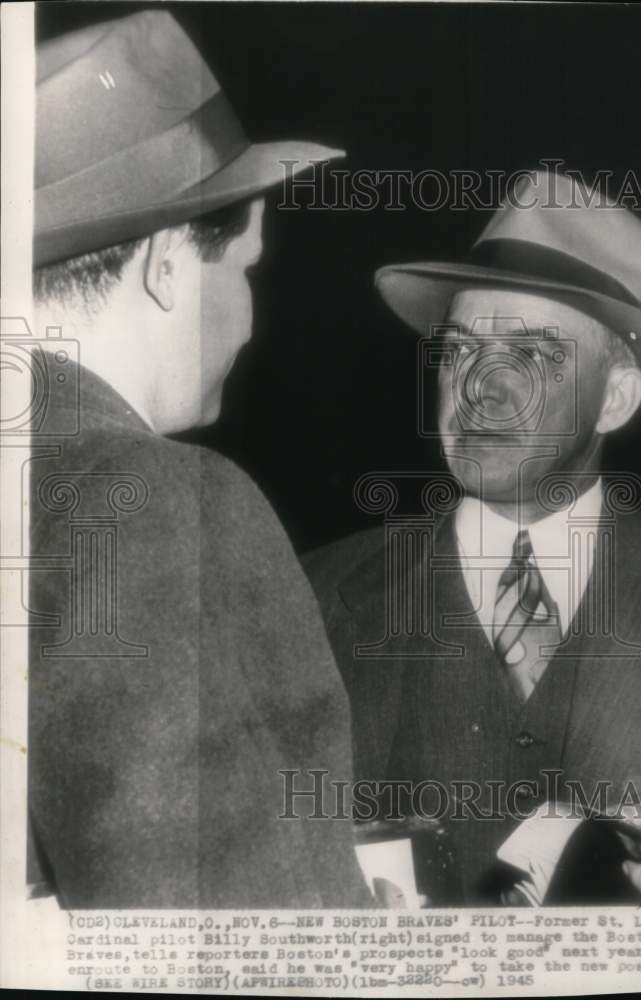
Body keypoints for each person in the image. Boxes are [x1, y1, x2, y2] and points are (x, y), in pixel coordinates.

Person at [305, 169, 641, 905]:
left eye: (532, 355)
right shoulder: (309, 600)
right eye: (463, 349)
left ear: (616, 397)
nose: (481, 389)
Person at [28, 10, 368, 908]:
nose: (249, 311)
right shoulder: (158, 504)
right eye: (244, 266)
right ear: (165, 266)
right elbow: (236, 930)